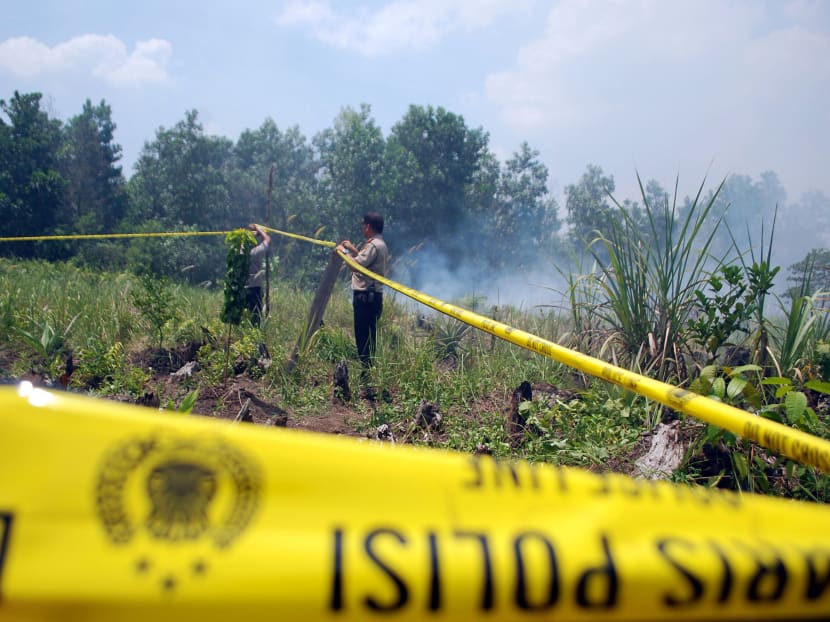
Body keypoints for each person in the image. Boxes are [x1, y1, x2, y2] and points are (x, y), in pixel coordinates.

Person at [336, 212, 389, 393]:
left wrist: (342, 252)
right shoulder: (378, 244)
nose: (362, 228)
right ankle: (368, 374)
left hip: (366, 296)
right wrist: (353, 249)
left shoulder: (374, 245)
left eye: (363, 225)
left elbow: (355, 265)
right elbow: (365, 263)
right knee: (369, 336)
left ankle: (366, 378)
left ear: (368, 226)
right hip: (373, 297)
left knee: (363, 337)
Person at [245, 223, 271, 326]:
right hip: (255, 288)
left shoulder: (241, 252)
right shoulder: (256, 252)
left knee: (245, 315)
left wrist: (251, 234)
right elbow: (267, 240)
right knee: (256, 316)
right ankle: (255, 332)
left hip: (243, 288)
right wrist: (259, 230)